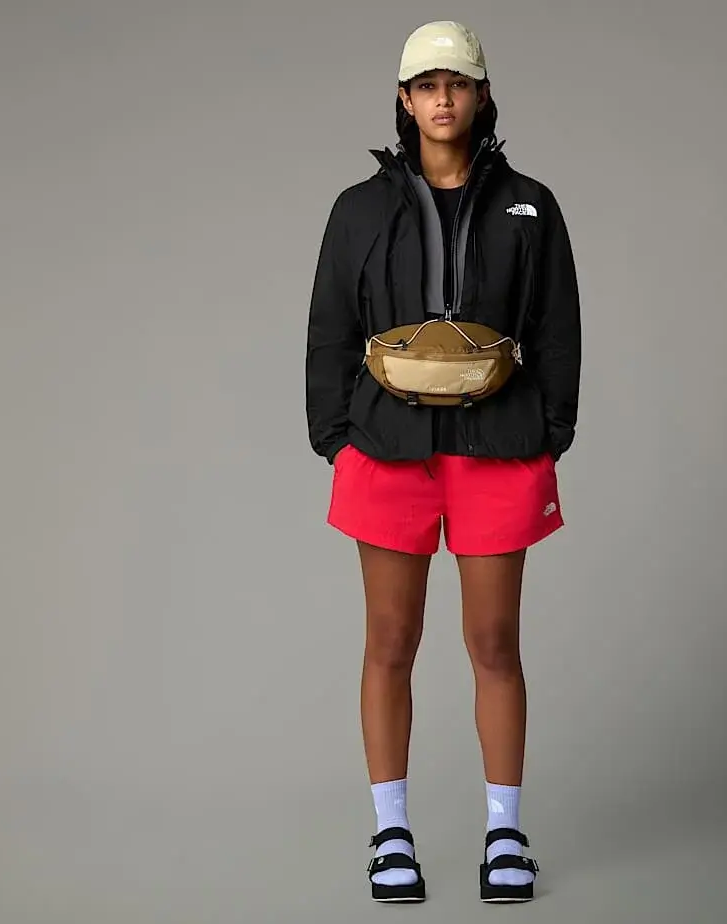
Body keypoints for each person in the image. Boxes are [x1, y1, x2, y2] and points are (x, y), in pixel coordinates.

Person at [305, 20, 581, 904]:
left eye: (457, 82)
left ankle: (505, 833)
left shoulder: (530, 204)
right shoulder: (358, 208)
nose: (443, 99)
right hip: (387, 451)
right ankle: (392, 834)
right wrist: (337, 438)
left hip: (500, 447)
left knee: (494, 643)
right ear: (404, 98)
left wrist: (550, 430)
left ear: (482, 93)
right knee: (390, 642)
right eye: (426, 84)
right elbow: (330, 327)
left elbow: (558, 328)